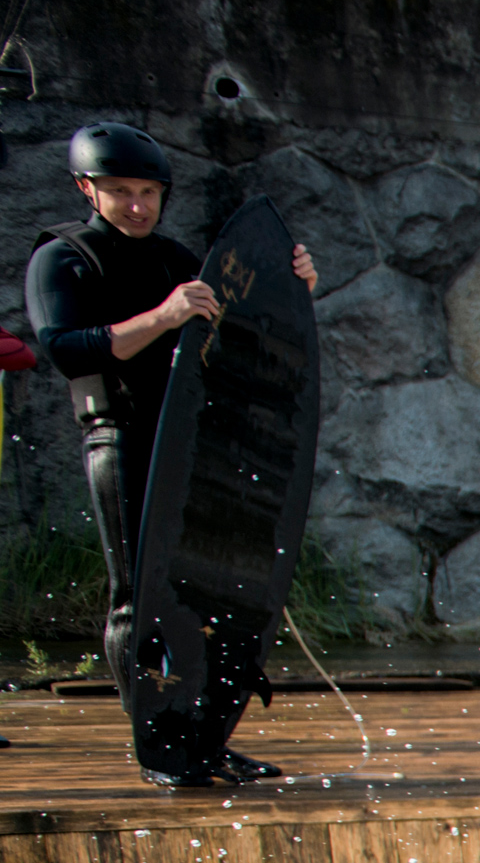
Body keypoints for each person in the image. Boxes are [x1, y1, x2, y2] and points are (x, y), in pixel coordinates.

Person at [21, 123, 319, 788]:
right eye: (120, 191)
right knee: (143, 595)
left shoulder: (177, 258)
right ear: (86, 189)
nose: (135, 205)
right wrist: (161, 317)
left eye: (148, 192)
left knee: (214, 594)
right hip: (122, 437)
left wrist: (291, 284)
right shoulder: (63, 259)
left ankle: (206, 739)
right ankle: (160, 744)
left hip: (192, 444)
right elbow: (66, 348)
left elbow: (244, 340)